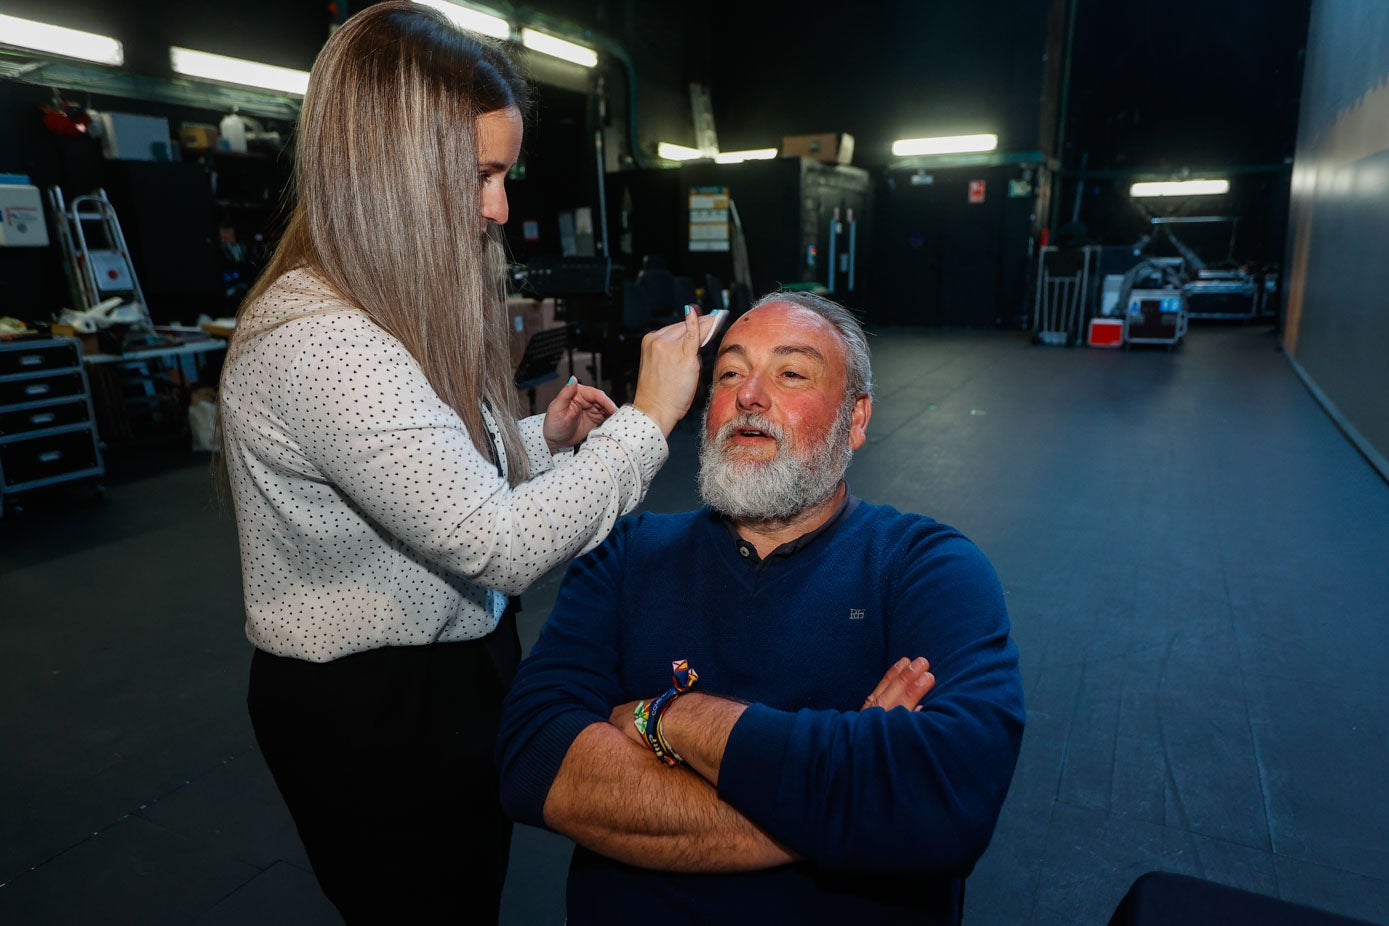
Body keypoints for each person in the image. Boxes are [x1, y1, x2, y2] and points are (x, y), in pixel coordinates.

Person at [216, 3, 720, 922]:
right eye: (481, 175)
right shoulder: (324, 339)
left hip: (457, 664)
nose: (499, 206)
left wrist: (540, 440)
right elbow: (492, 541)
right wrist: (646, 423)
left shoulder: (389, 306)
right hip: (373, 708)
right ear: (391, 171)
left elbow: (427, 471)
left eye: (505, 173)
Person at [497, 291, 1025, 924]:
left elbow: (945, 798)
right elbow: (533, 758)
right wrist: (844, 793)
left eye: (791, 372)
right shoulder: (627, 556)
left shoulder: (926, 568)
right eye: (729, 372)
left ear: (855, 420)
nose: (749, 395)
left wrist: (674, 717)